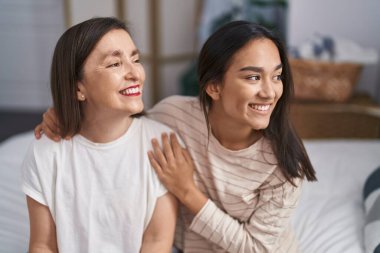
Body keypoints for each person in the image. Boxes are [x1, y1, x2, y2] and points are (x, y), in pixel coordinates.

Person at [36, 20, 317, 252]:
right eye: (253, 77)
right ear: (214, 87)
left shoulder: (285, 165)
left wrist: (187, 192)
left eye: (277, 76)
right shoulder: (174, 116)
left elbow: (256, 249)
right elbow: (117, 119)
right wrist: (66, 113)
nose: (270, 92)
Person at [22, 17, 177, 253]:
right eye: (115, 64)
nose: (134, 72)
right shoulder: (47, 151)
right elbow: (43, 244)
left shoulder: (162, 144)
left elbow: (156, 242)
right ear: (78, 88)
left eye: (135, 59)